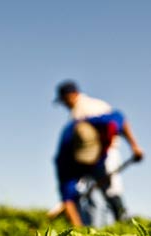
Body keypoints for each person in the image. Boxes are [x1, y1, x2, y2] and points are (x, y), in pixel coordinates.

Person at [55, 80, 142, 222]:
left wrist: (134, 146)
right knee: (88, 196)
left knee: (109, 192)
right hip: (87, 158)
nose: (64, 105)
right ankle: (89, 231)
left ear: (70, 95)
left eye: (64, 100)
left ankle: (121, 220)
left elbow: (120, 120)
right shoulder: (68, 142)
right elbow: (66, 189)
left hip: (107, 152)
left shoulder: (88, 111)